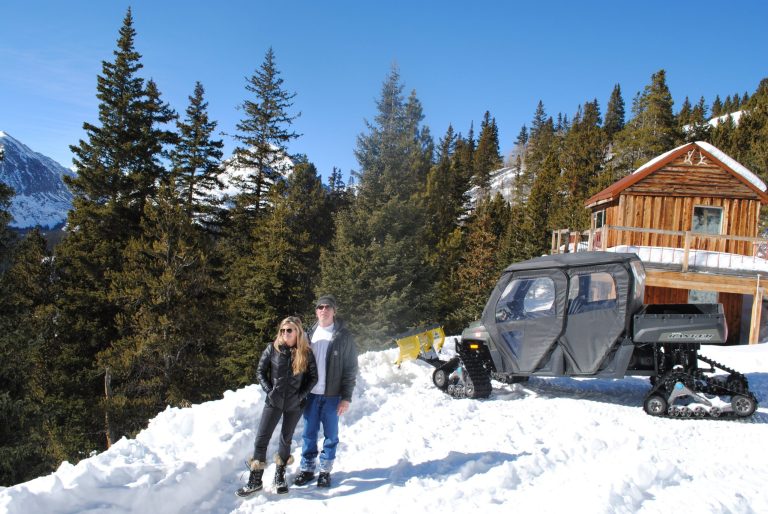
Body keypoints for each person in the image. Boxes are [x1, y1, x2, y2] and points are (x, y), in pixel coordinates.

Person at [236, 316, 318, 497]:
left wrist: (300, 396)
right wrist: (270, 391)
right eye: (283, 330)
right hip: (274, 401)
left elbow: (313, 378)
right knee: (262, 438)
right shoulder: (272, 349)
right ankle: (255, 480)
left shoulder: (305, 352)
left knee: (285, 439)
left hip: (294, 404)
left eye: (289, 330)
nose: (286, 334)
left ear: (298, 332)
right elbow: (260, 372)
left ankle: (280, 477)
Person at [293, 294, 358, 488]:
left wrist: (346, 397)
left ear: (334, 311)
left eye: (328, 307)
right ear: (316, 311)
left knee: (331, 435)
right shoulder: (308, 335)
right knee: (308, 433)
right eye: (320, 307)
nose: (324, 310)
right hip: (311, 395)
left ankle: (325, 471)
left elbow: (350, 368)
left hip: (332, 395)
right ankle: (307, 469)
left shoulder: (343, 336)